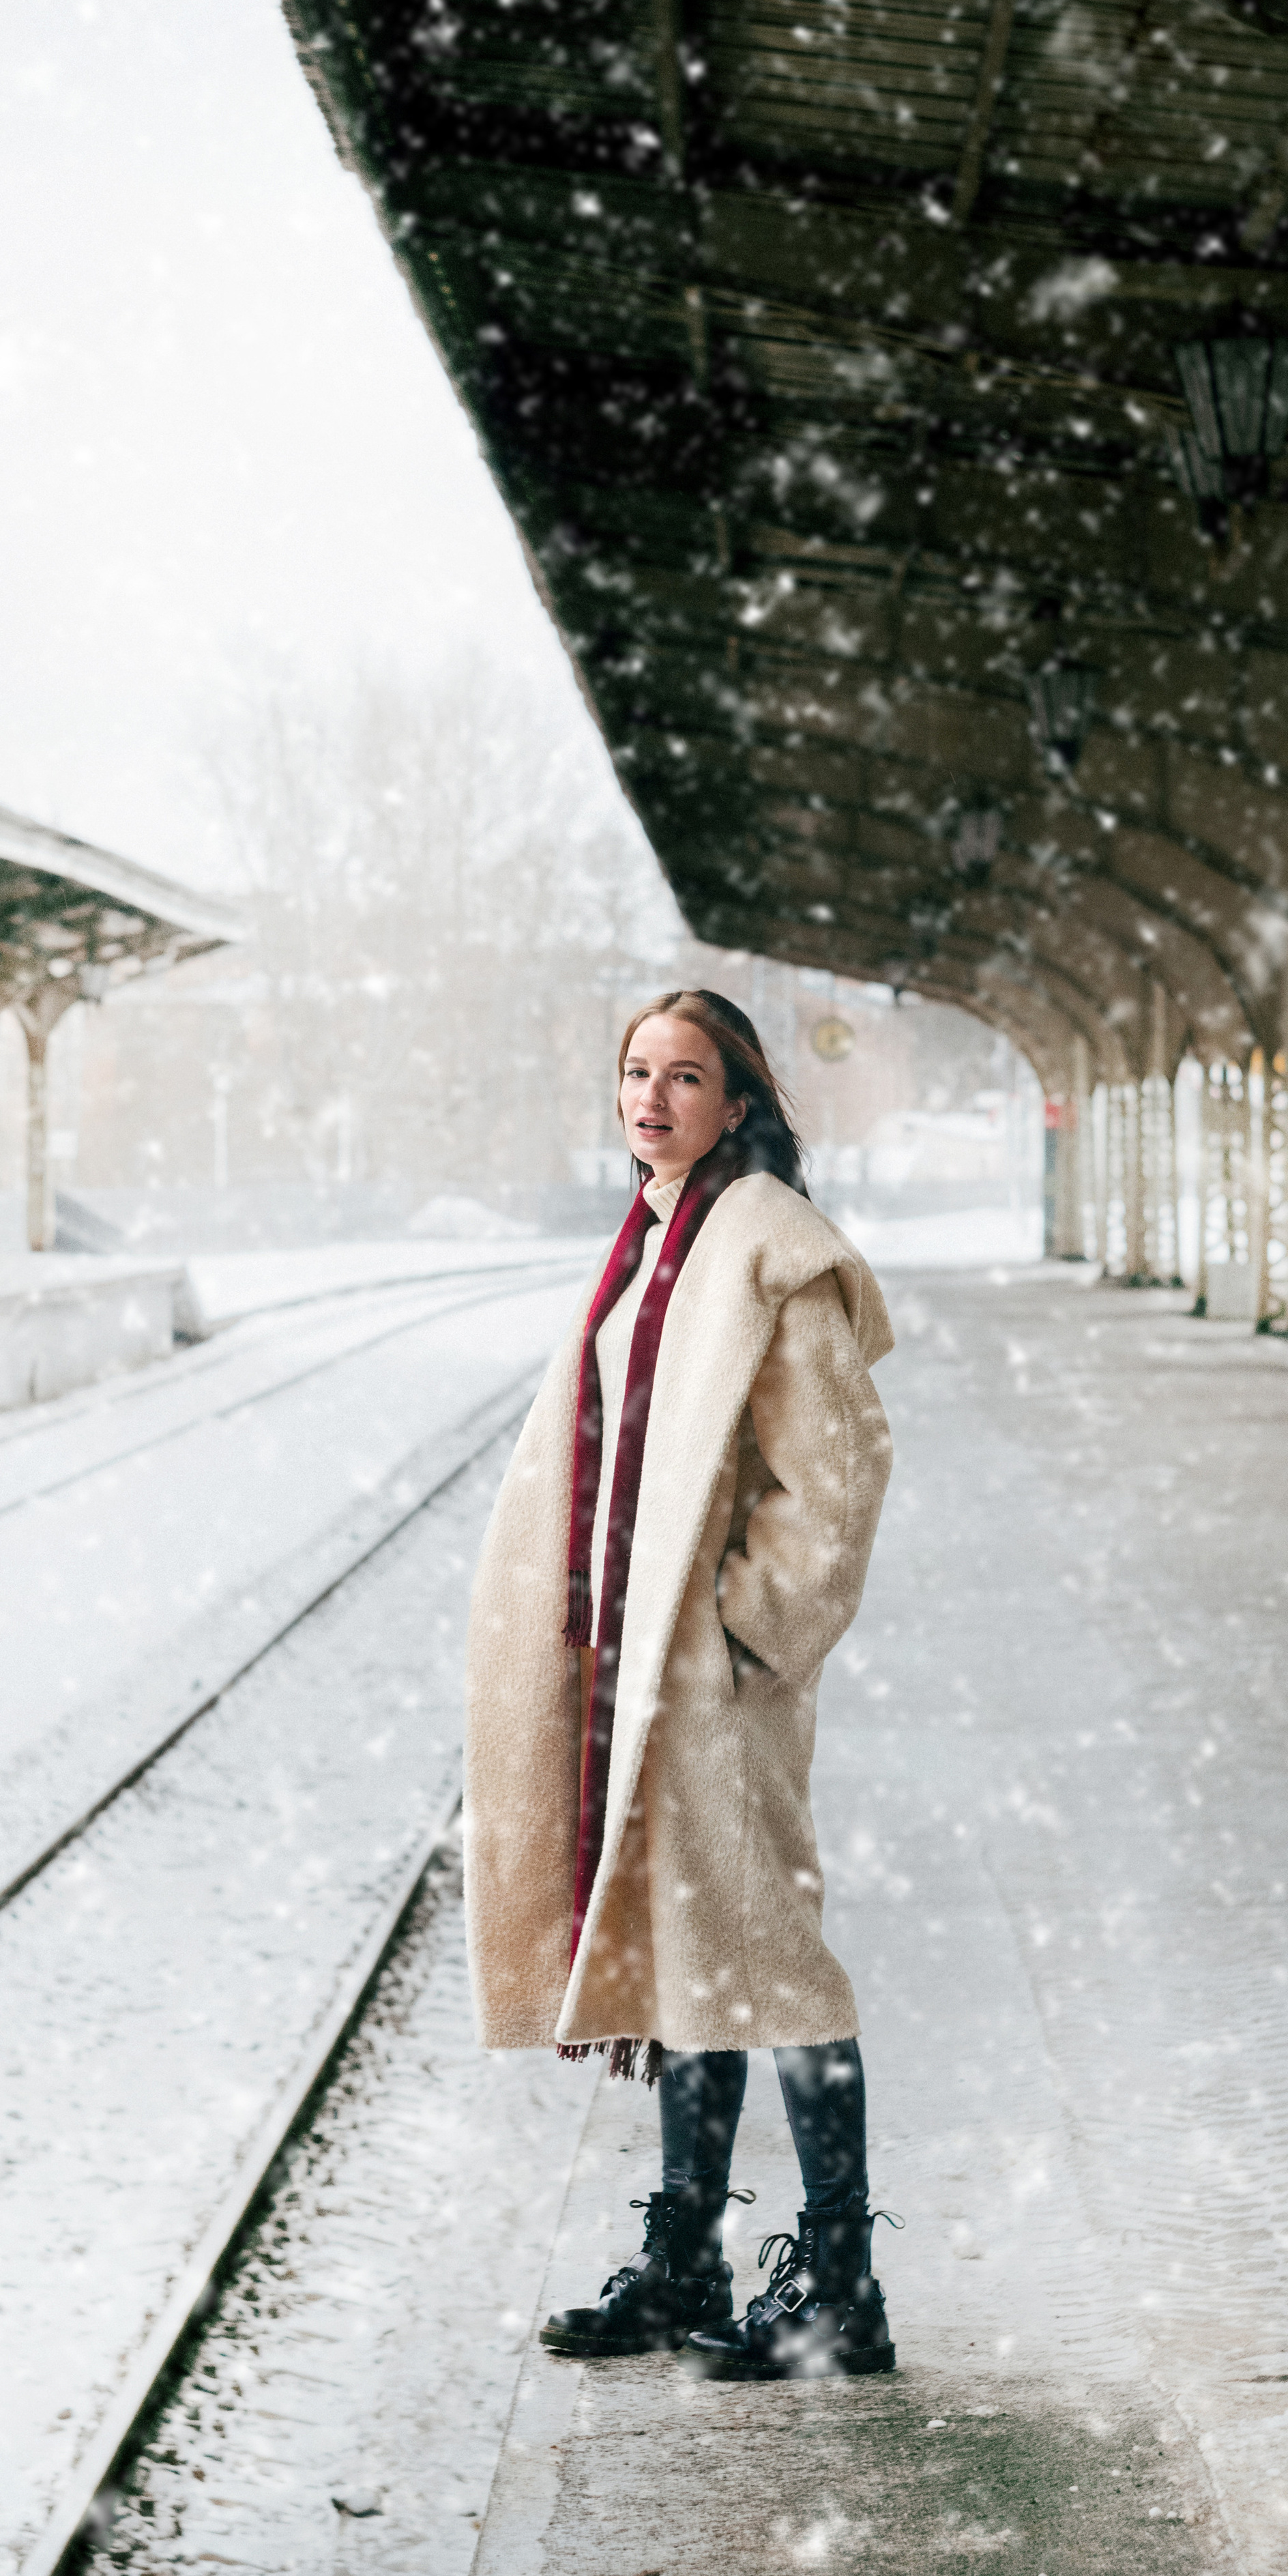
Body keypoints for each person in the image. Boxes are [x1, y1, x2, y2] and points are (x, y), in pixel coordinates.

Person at [463, 988, 897, 2379]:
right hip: (630, 1673)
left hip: (708, 1680)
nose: (649, 1100)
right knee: (679, 1956)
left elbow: (832, 1480)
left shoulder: (771, 1249)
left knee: (771, 1955)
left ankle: (841, 2289)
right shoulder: (653, 1240)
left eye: (683, 1077)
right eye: (633, 1073)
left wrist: (738, 1637)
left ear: (738, 1101)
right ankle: (683, 2263)